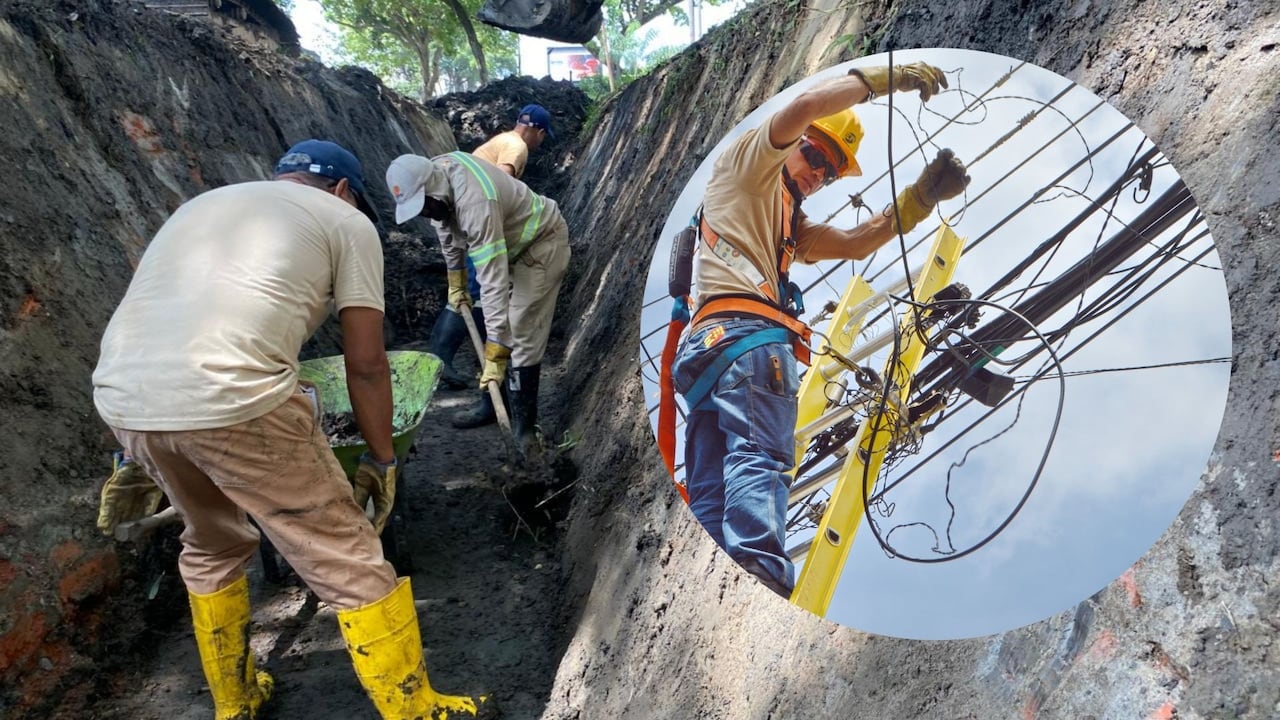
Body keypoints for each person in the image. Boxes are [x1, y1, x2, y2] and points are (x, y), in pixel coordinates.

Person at [92, 140, 491, 720]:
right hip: (234, 400)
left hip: (124, 401)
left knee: (211, 544)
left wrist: (135, 453)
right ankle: (416, 710)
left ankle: (236, 704)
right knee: (349, 555)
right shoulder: (346, 222)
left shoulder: (203, 206)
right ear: (344, 191)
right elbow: (367, 363)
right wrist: (382, 460)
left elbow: (163, 321)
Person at [670, 63, 970, 598]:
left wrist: (919, 200)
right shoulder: (748, 164)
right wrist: (893, 77)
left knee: (713, 493)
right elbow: (805, 106)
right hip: (746, 341)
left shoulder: (791, 223)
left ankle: (729, 585)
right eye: (814, 156)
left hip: (706, 355)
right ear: (793, 144)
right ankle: (760, 574)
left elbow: (856, 243)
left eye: (829, 172)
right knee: (760, 456)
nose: (817, 174)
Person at [386, 151, 570, 459]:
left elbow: (492, 279)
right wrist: (456, 282)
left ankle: (524, 430)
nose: (426, 213)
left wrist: (498, 352)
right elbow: (446, 233)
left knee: (520, 333)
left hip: (540, 247)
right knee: (488, 320)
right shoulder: (439, 186)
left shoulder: (476, 203)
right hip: (509, 248)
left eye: (426, 206)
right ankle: (491, 405)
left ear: (433, 189)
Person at [431, 104, 556, 431]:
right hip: (484, 231)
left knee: (483, 305)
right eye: (544, 137)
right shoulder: (515, 147)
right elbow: (502, 189)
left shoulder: (498, 141)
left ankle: (455, 363)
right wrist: (456, 280)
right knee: (482, 300)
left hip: (486, 232)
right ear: (539, 132)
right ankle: (483, 376)